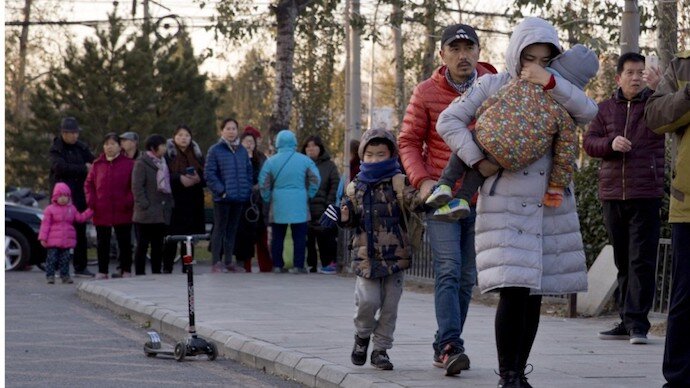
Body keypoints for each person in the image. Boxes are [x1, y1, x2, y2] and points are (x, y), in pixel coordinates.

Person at [437, 17, 597, 387]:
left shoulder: (561, 88)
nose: (536, 65)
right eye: (530, 57)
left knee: (533, 295)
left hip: (547, 207)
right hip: (505, 204)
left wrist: (551, 82)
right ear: (516, 54)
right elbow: (449, 121)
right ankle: (507, 374)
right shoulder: (493, 83)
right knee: (513, 289)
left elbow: (591, 113)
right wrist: (478, 159)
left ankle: (519, 372)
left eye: (545, 58)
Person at [397, 23, 497, 376]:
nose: (462, 54)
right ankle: (451, 345)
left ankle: (445, 341)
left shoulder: (495, 84)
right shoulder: (425, 92)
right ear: (442, 55)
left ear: (478, 52)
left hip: (484, 197)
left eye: (468, 47)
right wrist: (423, 181)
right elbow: (408, 140)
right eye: (454, 48)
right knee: (449, 269)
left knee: (468, 275)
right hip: (441, 196)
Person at [426, 44, 599, 219]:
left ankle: (444, 184)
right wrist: (556, 186)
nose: (536, 66)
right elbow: (565, 154)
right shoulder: (567, 115)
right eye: (530, 58)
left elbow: (495, 99)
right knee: (480, 170)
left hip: (490, 134)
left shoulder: (524, 82)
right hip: (515, 159)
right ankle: (462, 199)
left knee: (464, 150)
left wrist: (483, 116)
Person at [321, 129, 423, 370]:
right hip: (365, 258)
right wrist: (343, 216)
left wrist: (431, 195)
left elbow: (416, 201)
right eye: (370, 155)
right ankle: (362, 335)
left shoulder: (399, 182)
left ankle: (381, 350)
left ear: (391, 155)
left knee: (389, 307)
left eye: (381, 154)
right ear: (362, 157)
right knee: (367, 302)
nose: (376, 159)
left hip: (396, 257)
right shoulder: (356, 187)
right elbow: (350, 218)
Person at [583, 52, 665, 345]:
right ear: (618, 77)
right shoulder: (604, 109)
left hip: (646, 193)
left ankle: (639, 325)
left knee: (641, 260)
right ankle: (625, 319)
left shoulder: (656, 104)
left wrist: (660, 90)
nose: (635, 77)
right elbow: (589, 143)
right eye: (630, 72)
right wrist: (610, 143)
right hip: (613, 195)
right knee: (622, 260)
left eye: (640, 72)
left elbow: (672, 116)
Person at [644, 51, 690, 388]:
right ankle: (678, 379)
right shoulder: (681, 67)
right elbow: (655, 117)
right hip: (688, 205)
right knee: (685, 297)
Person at [258, 129, 320, 274]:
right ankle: (298, 265)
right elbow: (315, 179)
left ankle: (278, 265)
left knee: (278, 237)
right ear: (294, 142)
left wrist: (267, 197)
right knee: (299, 237)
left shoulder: (271, 161)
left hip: (279, 203)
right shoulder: (305, 160)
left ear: (277, 143)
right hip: (299, 202)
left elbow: (263, 182)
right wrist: (309, 194)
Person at [48, 116, 95, 277]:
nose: (75, 136)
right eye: (71, 133)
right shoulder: (56, 148)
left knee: (80, 232)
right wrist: (82, 168)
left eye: (76, 133)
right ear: (63, 133)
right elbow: (59, 167)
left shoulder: (81, 148)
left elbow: (93, 163)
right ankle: (54, 267)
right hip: (61, 199)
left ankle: (80, 267)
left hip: (79, 196)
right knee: (58, 233)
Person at [205, 118, 253, 273]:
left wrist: (246, 190)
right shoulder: (215, 150)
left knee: (232, 230)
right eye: (228, 128)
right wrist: (221, 191)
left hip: (238, 197)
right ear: (222, 131)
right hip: (222, 198)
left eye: (234, 128)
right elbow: (209, 174)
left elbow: (248, 172)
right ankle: (216, 262)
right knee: (219, 229)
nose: (231, 131)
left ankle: (228, 261)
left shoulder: (242, 151)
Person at [85, 133, 136, 279]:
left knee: (124, 242)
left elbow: (134, 186)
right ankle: (103, 270)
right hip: (102, 209)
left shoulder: (129, 164)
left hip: (123, 209)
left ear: (120, 146)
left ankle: (125, 269)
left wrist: (128, 201)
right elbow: (89, 185)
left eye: (113, 144)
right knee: (102, 242)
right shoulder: (97, 164)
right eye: (107, 144)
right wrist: (92, 201)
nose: (109, 147)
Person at [162, 125, 206, 274]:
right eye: (180, 135)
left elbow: (206, 175)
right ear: (174, 137)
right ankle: (167, 267)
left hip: (193, 200)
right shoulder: (168, 154)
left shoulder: (197, 154)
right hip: (174, 200)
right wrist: (179, 178)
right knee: (172, 236)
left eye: (187, 135)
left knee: (189, 238)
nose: (183, 138)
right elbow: (163, 175)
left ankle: (187, 267)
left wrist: (198, 179)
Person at [132, 134, 174, 275]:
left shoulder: (164, 162)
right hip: (145, 212)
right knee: (142, 246)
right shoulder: (142, 163)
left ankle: (157, 272)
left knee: (158, 245)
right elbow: (137, 186)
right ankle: (139, 273)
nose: (164, 148)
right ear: (153, 147)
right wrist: (144, 204)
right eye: (162, 145)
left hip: (160, 211)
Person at [38, 183, 93, 284]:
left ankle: (65, 276)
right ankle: (50, 275)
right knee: (52, 259)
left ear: (69, 197)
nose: (63, 198)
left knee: (65, 260)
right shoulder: (50, 209)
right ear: (55, 197)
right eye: (60, 196)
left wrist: (90, 211)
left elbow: (80, 218)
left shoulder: (72, 209)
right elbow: (45, 225)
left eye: (65, 196)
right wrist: (43, 238)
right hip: (53, 241)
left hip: (67, 240)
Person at [302, 135, 340, 274]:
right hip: (306, 207)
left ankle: (328, 264)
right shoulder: (301, 164)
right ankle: (310, 265)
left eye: (314, 145)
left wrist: (328, 202)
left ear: (320, 147)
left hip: (323, 207)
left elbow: (335, 184)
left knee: (325, 237)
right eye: (308, 146)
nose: (311, 149)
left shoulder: (329, 165)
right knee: (308, 239)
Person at [234, 130, 272, 273]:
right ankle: (245, 267)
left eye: (252, 141)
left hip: (259, 202)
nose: (249, 144)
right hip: (243, 202)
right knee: (245, 238)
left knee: (262, 237)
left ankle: (266, 267)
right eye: (246, 141)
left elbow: (266, 177)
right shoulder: (236, 157)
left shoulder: (261, 157)